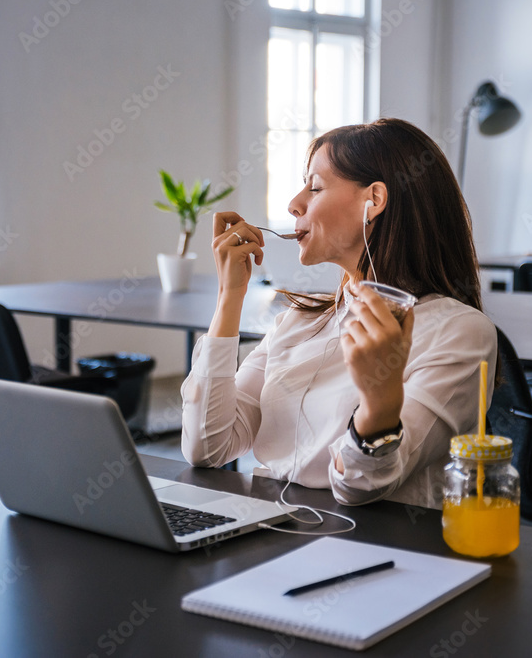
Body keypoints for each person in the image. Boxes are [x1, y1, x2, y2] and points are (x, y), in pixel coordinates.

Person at [180, 118, 497, 509]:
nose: (294, 203)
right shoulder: (297, 322)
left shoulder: (461, 332)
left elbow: (364, 487)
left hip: (379, 550)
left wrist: (380, 399)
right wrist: (230, 298)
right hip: (270, 530)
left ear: (374, 201)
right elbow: (208, 447)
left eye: (315, 187)